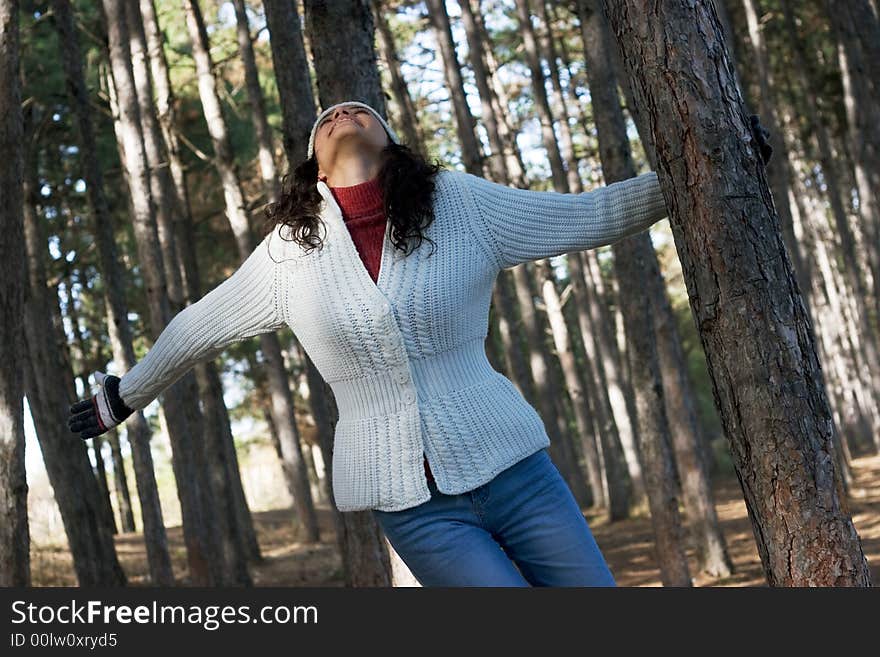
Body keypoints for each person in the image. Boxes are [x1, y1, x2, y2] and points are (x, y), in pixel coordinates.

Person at [68, 99, 771, 587]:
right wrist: (122, 394)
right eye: (327, 117)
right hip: (415, 506)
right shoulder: (290, 251)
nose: (343, 113)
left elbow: (588, 214)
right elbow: (198, 325)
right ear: (314, 165)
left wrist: (709, 168)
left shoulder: (460, 204)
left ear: (391, 141)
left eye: (360, 110)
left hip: (519, 475)